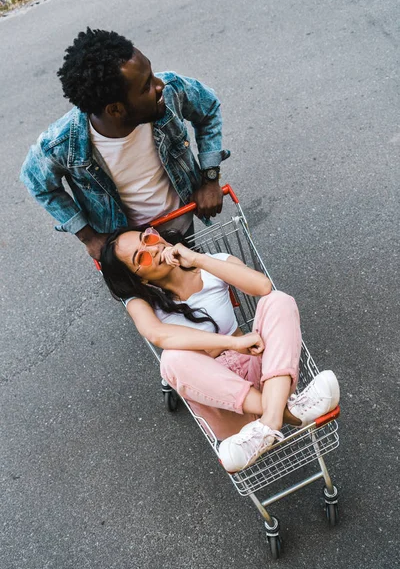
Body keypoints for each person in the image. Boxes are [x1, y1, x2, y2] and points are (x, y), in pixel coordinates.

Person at [100, 227, 340, 473]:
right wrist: (232, 343)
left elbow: (262, 286)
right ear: (141, 278)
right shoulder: (141, 303)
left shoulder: (212, 264)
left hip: (266, 375)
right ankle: (288, 412)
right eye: (141, 257)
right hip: (221, 400)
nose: (153, 249)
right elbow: (158, 334)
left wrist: (196, 258)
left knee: (278, 301)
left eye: (148, 238)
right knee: (171, 360)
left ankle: (269, 421)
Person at [20, 28, 230, 260]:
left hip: (180, 224)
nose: (160, 85)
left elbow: (208, 108)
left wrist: (210, 178)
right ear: (115, 109)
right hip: (129, 252)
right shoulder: (62, 144)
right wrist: (88, 237)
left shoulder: (170, 92)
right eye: (146, 86)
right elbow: (37, 182)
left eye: (151, 74)